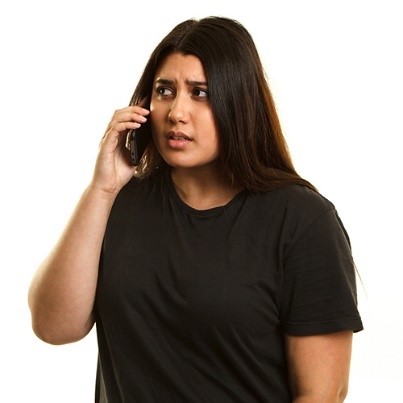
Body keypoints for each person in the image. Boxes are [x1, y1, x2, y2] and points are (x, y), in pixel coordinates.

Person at [28, 16, 363, 402]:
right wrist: (101, 189)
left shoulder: (302, 221)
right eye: (165, 90)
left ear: (239, 102)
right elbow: (53, 327)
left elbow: (323, 395)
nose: (177, 112)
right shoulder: (118, 201)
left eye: (200, 93)